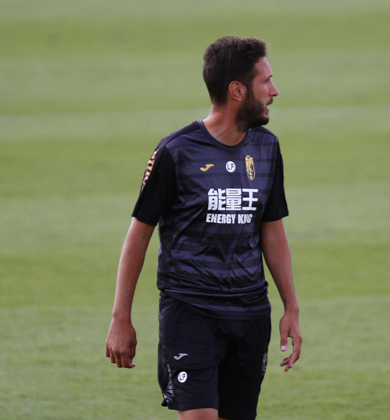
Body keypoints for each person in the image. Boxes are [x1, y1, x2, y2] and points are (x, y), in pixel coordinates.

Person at [105, 36, 302, 420]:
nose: (274, 91)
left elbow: (272, 230)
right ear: (237, 90)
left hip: (249, 313)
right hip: (191, 310)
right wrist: (120, 318)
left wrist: (290, 306)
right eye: (266, 82)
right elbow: (139, 234)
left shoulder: (266, 147)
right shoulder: (176, 152)